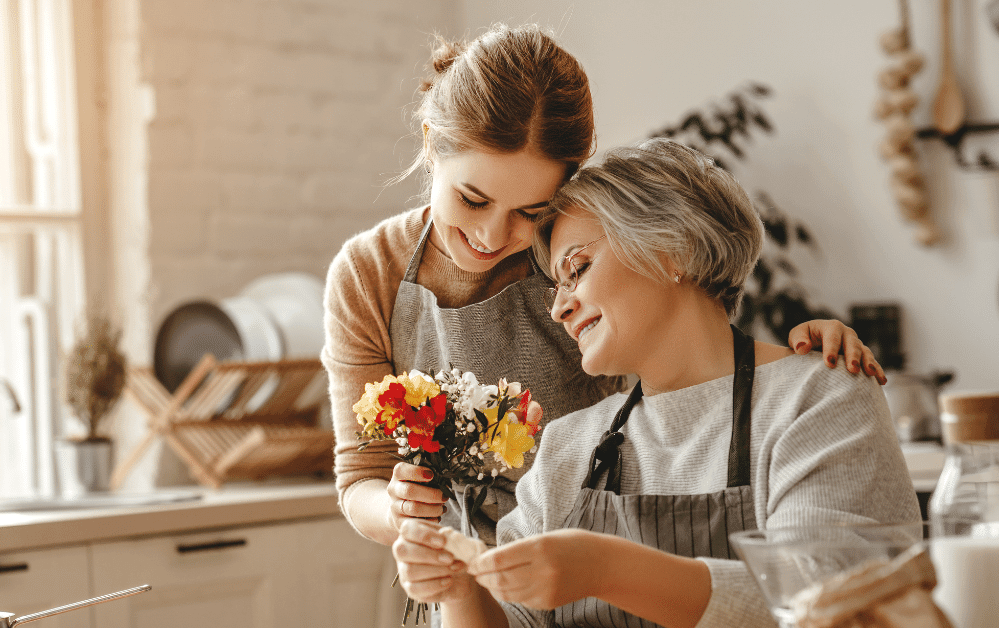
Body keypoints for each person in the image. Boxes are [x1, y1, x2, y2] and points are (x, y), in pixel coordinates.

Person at [322, 24, 887, 550]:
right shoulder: (369, 274)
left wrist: (795, 361)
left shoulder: (574, 246)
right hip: (461, 572)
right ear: (430, 144)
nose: (493, 235)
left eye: (531, 210)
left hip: (594, 551)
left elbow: (688, 363)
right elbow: (360, 476)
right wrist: (402, 511)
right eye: (472, 199)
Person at [390, 138, 921, 628]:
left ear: (673, 249)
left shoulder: (818, 398)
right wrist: (457, 587)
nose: (558, 307)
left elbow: (832, 603)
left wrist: (605, 568)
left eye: (577, 268)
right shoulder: (568, 446)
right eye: (555, 284)